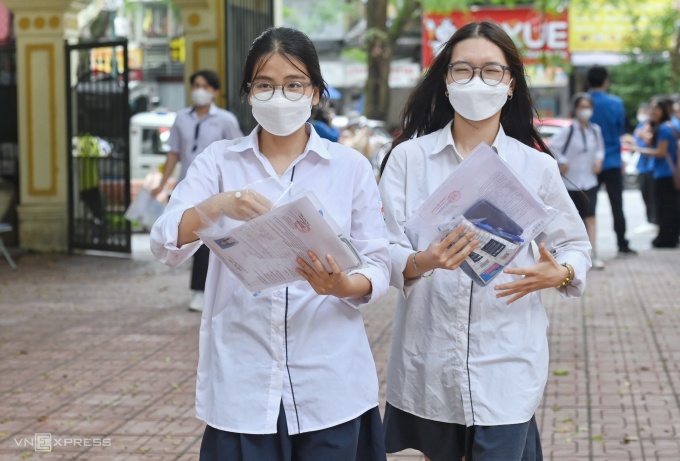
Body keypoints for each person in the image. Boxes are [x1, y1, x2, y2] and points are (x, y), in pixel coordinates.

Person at [150, 27, 390, 461]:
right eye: (266, 85)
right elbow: (165, 241)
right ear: (248, 93)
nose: (280, 96)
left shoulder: (349, 167)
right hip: (243, 383)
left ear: (315, 92)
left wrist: (343, 286)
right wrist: (218, 205)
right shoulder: (219, 163)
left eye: (294, 84)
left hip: (330, 384)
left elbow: (378, 262)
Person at [378, 21, 591, 461]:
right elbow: (381, 249)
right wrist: (423, 260)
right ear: (445, 81)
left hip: (508, 359)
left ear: (510, 84)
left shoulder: (536, 168)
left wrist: (562, 272)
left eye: (491, 71)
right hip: (430, 359)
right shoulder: (407, 159)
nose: (477, 82)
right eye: (463, 70)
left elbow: (575, 246)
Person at [151, 69, 244, 311]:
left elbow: (238, 153)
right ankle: (198, 291)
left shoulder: (226, 120)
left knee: (211, 242)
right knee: (188, 238)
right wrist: (162, 184)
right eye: (196, 86)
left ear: (214, 91)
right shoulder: (181, 118)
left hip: (217, 190)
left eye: (205, 86)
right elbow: (174, 153)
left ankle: (209, 291)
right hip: (188, 187)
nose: (199, 91)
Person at [550, 93, 605, 270]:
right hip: (570, 183)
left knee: (591, 218)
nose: (586, 110)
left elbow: (600, 150)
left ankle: (592, 253)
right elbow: (552, 147)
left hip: (589, 181)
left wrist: (598, 160)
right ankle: (567, 257)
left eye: (588, 106)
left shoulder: (595, 130)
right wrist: (563, 161)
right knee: (571, 220)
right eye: (582, 107)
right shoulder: (569, 130)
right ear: (575, 109)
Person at [587, 65, 637, 256]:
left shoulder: (584, 102)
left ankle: (586, 245)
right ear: (606, 81)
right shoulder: (616, 103)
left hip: (590, 162)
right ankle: (622, 244)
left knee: (588, 205)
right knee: (617, 203)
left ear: (588, 81)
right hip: (613, 159)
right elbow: (619, 128)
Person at [622, 96, 679, 248]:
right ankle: (667, 237)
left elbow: (661, 151)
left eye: (656, 108)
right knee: (665, 207)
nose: (653, 111)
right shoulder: (661, 127)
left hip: (665, 173)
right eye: (652, 108)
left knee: (665, 208)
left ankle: (667, 239)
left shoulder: (664, 128)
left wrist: (638, 149)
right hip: (661, 172)